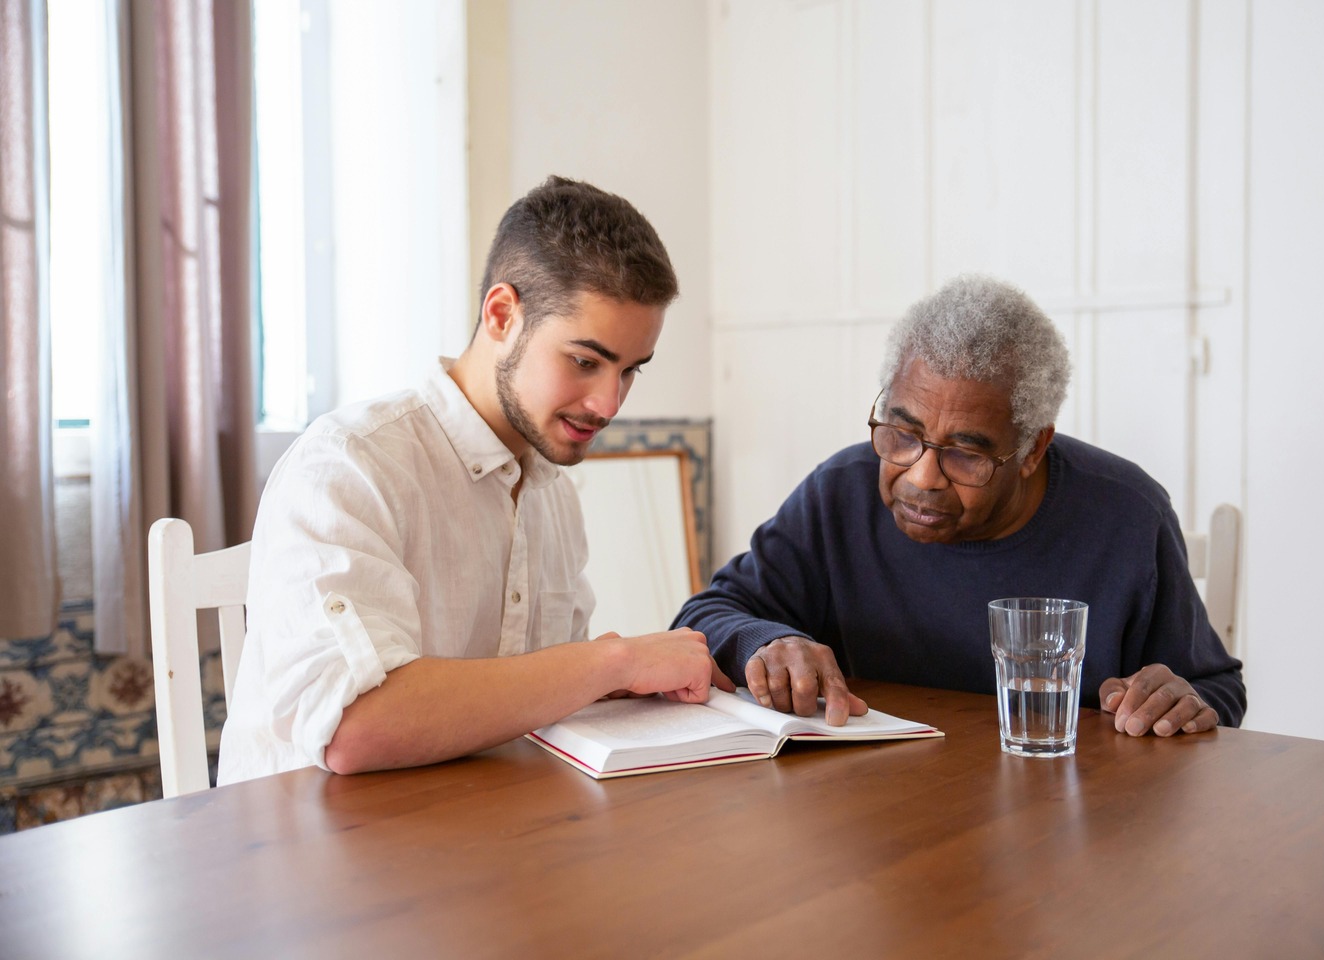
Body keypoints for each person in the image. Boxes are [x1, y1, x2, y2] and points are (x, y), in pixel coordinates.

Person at [219, 176, 732, 784]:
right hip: (309, 857)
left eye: (629, 371)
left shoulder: (553, 494)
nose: (608, 404)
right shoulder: (350, 464)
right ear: (501, 315)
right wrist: (613, 661)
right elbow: (355, 729)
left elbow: (544, 701)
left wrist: (647, 687)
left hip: (475, 836)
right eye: (585, 362)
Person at [674, 274, 1244, 737]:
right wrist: (770, 641)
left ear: (1031, 448)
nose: (921, 477)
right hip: (879, 820)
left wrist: (1179, 701)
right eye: (901, 434)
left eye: (966, 454)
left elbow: (1214, 689)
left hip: (1065, 825)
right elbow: (701, 618)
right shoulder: (839, 494)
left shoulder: (1126, 515)